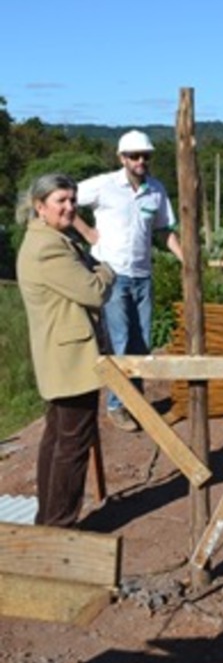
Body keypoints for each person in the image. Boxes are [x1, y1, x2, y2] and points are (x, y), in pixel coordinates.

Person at [17, 173, 115, 527]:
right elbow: (93, 291)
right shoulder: (48, 247)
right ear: (40, 207)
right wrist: (107, 270)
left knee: (58, 438)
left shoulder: (52, 240)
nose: (70, 207)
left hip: (61, 354)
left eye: (73, 200)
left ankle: (49, 518)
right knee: (72, 445)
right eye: (61, 201)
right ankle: (59, 524)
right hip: (69, 358)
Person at [73, 130, 183, 432]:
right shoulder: (104, 185)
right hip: (112, 273)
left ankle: (133, 400)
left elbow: (164, 231)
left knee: (142, 342)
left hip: (142, 274)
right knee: (120, 341)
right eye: (134, 156)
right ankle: (117, 405)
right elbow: (65, 199)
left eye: (145, 155)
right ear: (122, 158)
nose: (140, 160)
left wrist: (185, 257)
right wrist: (87, 233)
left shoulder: (156, 190)